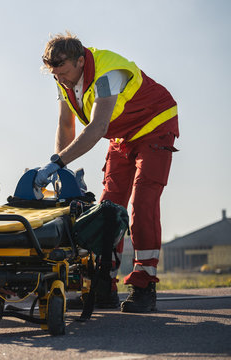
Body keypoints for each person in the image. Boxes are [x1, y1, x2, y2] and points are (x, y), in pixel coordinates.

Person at [36, 32, 179, 313]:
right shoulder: (62, 79)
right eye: (55, 75)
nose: (61, 80)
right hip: (123, 136)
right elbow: (67, 126)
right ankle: (103, 286)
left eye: (63, 73)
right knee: (107, 209)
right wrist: (58, 167)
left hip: (155, 126)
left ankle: (143, 286)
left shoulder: (107, 72)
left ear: (80, 61)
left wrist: (59, 162)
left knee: (142, 205)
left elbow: (97, 127)